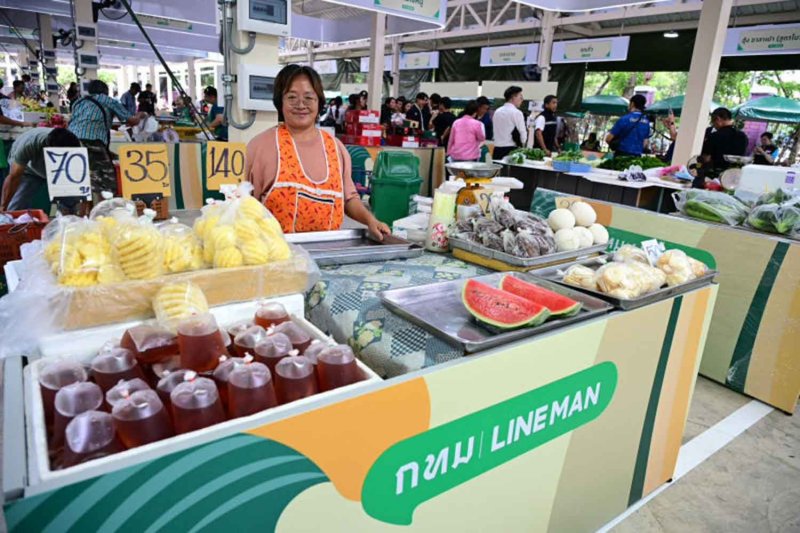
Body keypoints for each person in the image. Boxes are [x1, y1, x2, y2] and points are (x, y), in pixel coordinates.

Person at [246, 64, 390, 239]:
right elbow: (247, 206)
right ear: (280, 102)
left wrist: (370, 221)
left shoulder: (336, 148)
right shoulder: (261, 147)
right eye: (292, 97)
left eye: (309, 97)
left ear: (319, 102)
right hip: (277, 257)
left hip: (328, 256)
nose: (301, 104)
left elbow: (349, 199)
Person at [68, 80, 145, 200]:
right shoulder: (107, 100)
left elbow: (85, 119)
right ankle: (104, 209)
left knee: (80, 177)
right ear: (105, 91)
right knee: (106, 179)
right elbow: (132, 121)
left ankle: (83, 210)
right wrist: (140, 115)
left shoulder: (79, 101)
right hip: (92, 140)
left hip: (71, 140)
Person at [0, 128, 82, 211]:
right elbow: (14, 177)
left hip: (60, 171)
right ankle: (9, 220)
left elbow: (83, 184)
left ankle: (60, 219)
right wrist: (3, 206)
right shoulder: (29, 143)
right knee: (17, 205)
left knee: (68, 203)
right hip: (30, 170)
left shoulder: (74, 146)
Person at [700, 107, 748, 174]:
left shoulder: (714, 136)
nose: (713, 125)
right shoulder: (743, 136)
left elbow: (706, 158)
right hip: (735, 174)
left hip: (715, 174)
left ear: (718, 119)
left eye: (713, 121)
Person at [492, 86, 527, 160]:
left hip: (497, 149)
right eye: (520, 96)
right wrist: (523, 146)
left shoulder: (497, 111)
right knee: (509, 171)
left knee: (498, 170)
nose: (522, 99)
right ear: (513, 97)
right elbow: (523, 132)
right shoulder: (517, 113)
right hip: (511, 150)